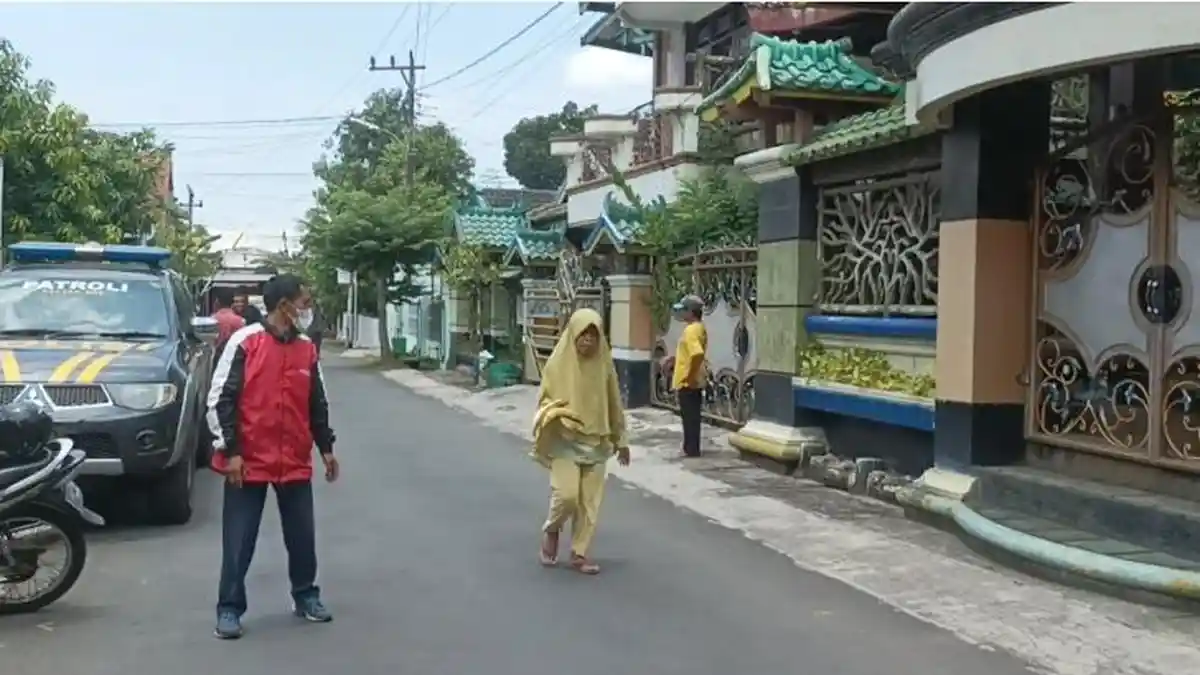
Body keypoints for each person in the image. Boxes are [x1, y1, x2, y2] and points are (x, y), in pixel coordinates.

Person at [206, 273, 339, 640]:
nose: (307, 309)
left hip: (293, 460)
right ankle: (229, 608)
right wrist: (230, 451)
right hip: (247, 461)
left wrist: (325, 448)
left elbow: (317, 403)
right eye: (305, 303)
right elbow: (220, 400)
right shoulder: (245, 342)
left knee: (302, 536)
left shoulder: (306, 349)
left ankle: (305, 596)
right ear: (285, 306)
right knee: (239, 539)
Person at [531, 308, 630, 575]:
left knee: (590, 503)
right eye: (582, 335)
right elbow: (543, 402)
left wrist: (621, 440)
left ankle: (579, 552)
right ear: (572, 335)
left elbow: (614, 401)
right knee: (566, 496)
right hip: (566, 440)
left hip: (597, 441)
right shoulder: (557, 364)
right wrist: (556, 415)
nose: (587, 341)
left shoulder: (604, 365)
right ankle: (553, 528)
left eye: (593, 336)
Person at [672, 295, 708, 458]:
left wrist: (690, 376)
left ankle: (690, 448)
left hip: (689, 382)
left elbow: (697, 353)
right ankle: (690, 447)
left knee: (690, 417)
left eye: (684, 310)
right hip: (693, 379)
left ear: (691, 312)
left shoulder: (691, 330)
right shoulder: (698, 328)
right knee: (692, 416)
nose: (681, 314)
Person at [210, 287, 245, 360]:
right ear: (233, 303)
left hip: (215, 359)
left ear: (218, 302)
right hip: (234, 360)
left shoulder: (211, 320)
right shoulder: (240, 321)